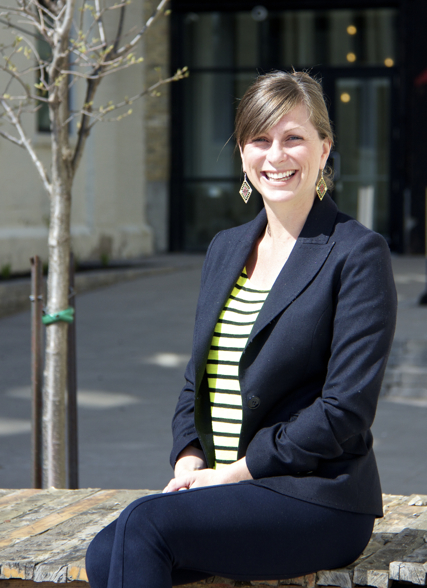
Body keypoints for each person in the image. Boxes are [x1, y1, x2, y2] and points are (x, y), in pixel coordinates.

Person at [86, 71, 397, 588]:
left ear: (324, 149)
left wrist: (233, 472)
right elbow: (197, 379)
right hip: (225, 488)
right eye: (260, 139)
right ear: (242, 154)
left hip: (315, 496)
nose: (276, 156)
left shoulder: (358, 253)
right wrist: (189, 458)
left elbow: (344, 410)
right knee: (107, 550)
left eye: (293, 138)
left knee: (142, 529)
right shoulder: (226, 248)